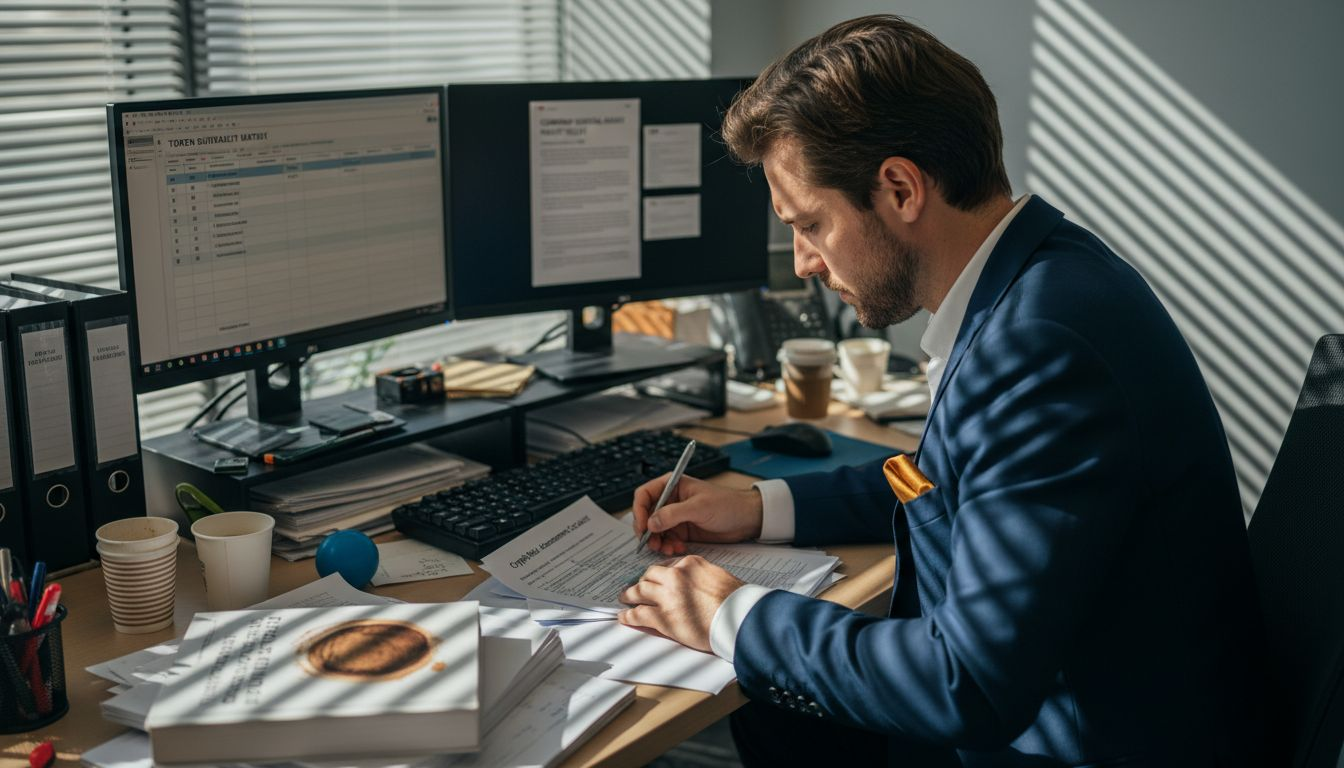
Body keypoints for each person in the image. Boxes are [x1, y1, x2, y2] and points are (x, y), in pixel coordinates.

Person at [617, 14, 1266, 767]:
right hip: (1096, 701)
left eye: (813, 225)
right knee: (775, 724)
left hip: (1083, 743)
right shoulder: (1041, 278)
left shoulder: (1039, 349)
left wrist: (733, 614)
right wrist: (760, 507)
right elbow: (937, 479)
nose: (802, 263)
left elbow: (969, 686)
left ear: (899, 188)